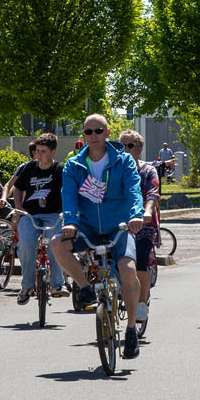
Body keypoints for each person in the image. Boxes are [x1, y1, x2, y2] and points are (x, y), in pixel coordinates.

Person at [52, 114, 145, 359]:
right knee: (56, 244)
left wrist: (136, 216)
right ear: (83, 135)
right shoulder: (74, 165)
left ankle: (132, 329)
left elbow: (135, 191)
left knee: (127, 269)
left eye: (98, 130)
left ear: (107, 133)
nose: (93, 136)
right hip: (87, 226)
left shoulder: (123, 161)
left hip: (120, 226)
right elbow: (69, 196)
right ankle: (84, 288)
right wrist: (70, 222)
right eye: (88, 132)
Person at [6, 133, 65, 304]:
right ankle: (27, 286)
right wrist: (19, 207)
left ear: (53, 152)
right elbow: (17, 189)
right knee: (24, 244)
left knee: (55, 245)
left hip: (54, 214)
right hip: (30, 214)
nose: (39, 155)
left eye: (43, 151)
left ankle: (57, 285)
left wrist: (66, 212)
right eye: (37, 151)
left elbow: (68, 192)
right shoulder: (29, 168)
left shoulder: (60, 169)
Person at [119, 128, 160, 323]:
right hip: (118, 223)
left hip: (143, 224)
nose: (125, 149)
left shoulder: (148, 170)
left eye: (130, 145)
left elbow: (152, 193)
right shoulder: (114, 168)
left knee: (141, 259)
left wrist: (148, 211)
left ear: (139, 148)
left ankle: (142, 302)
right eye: (121, 146)